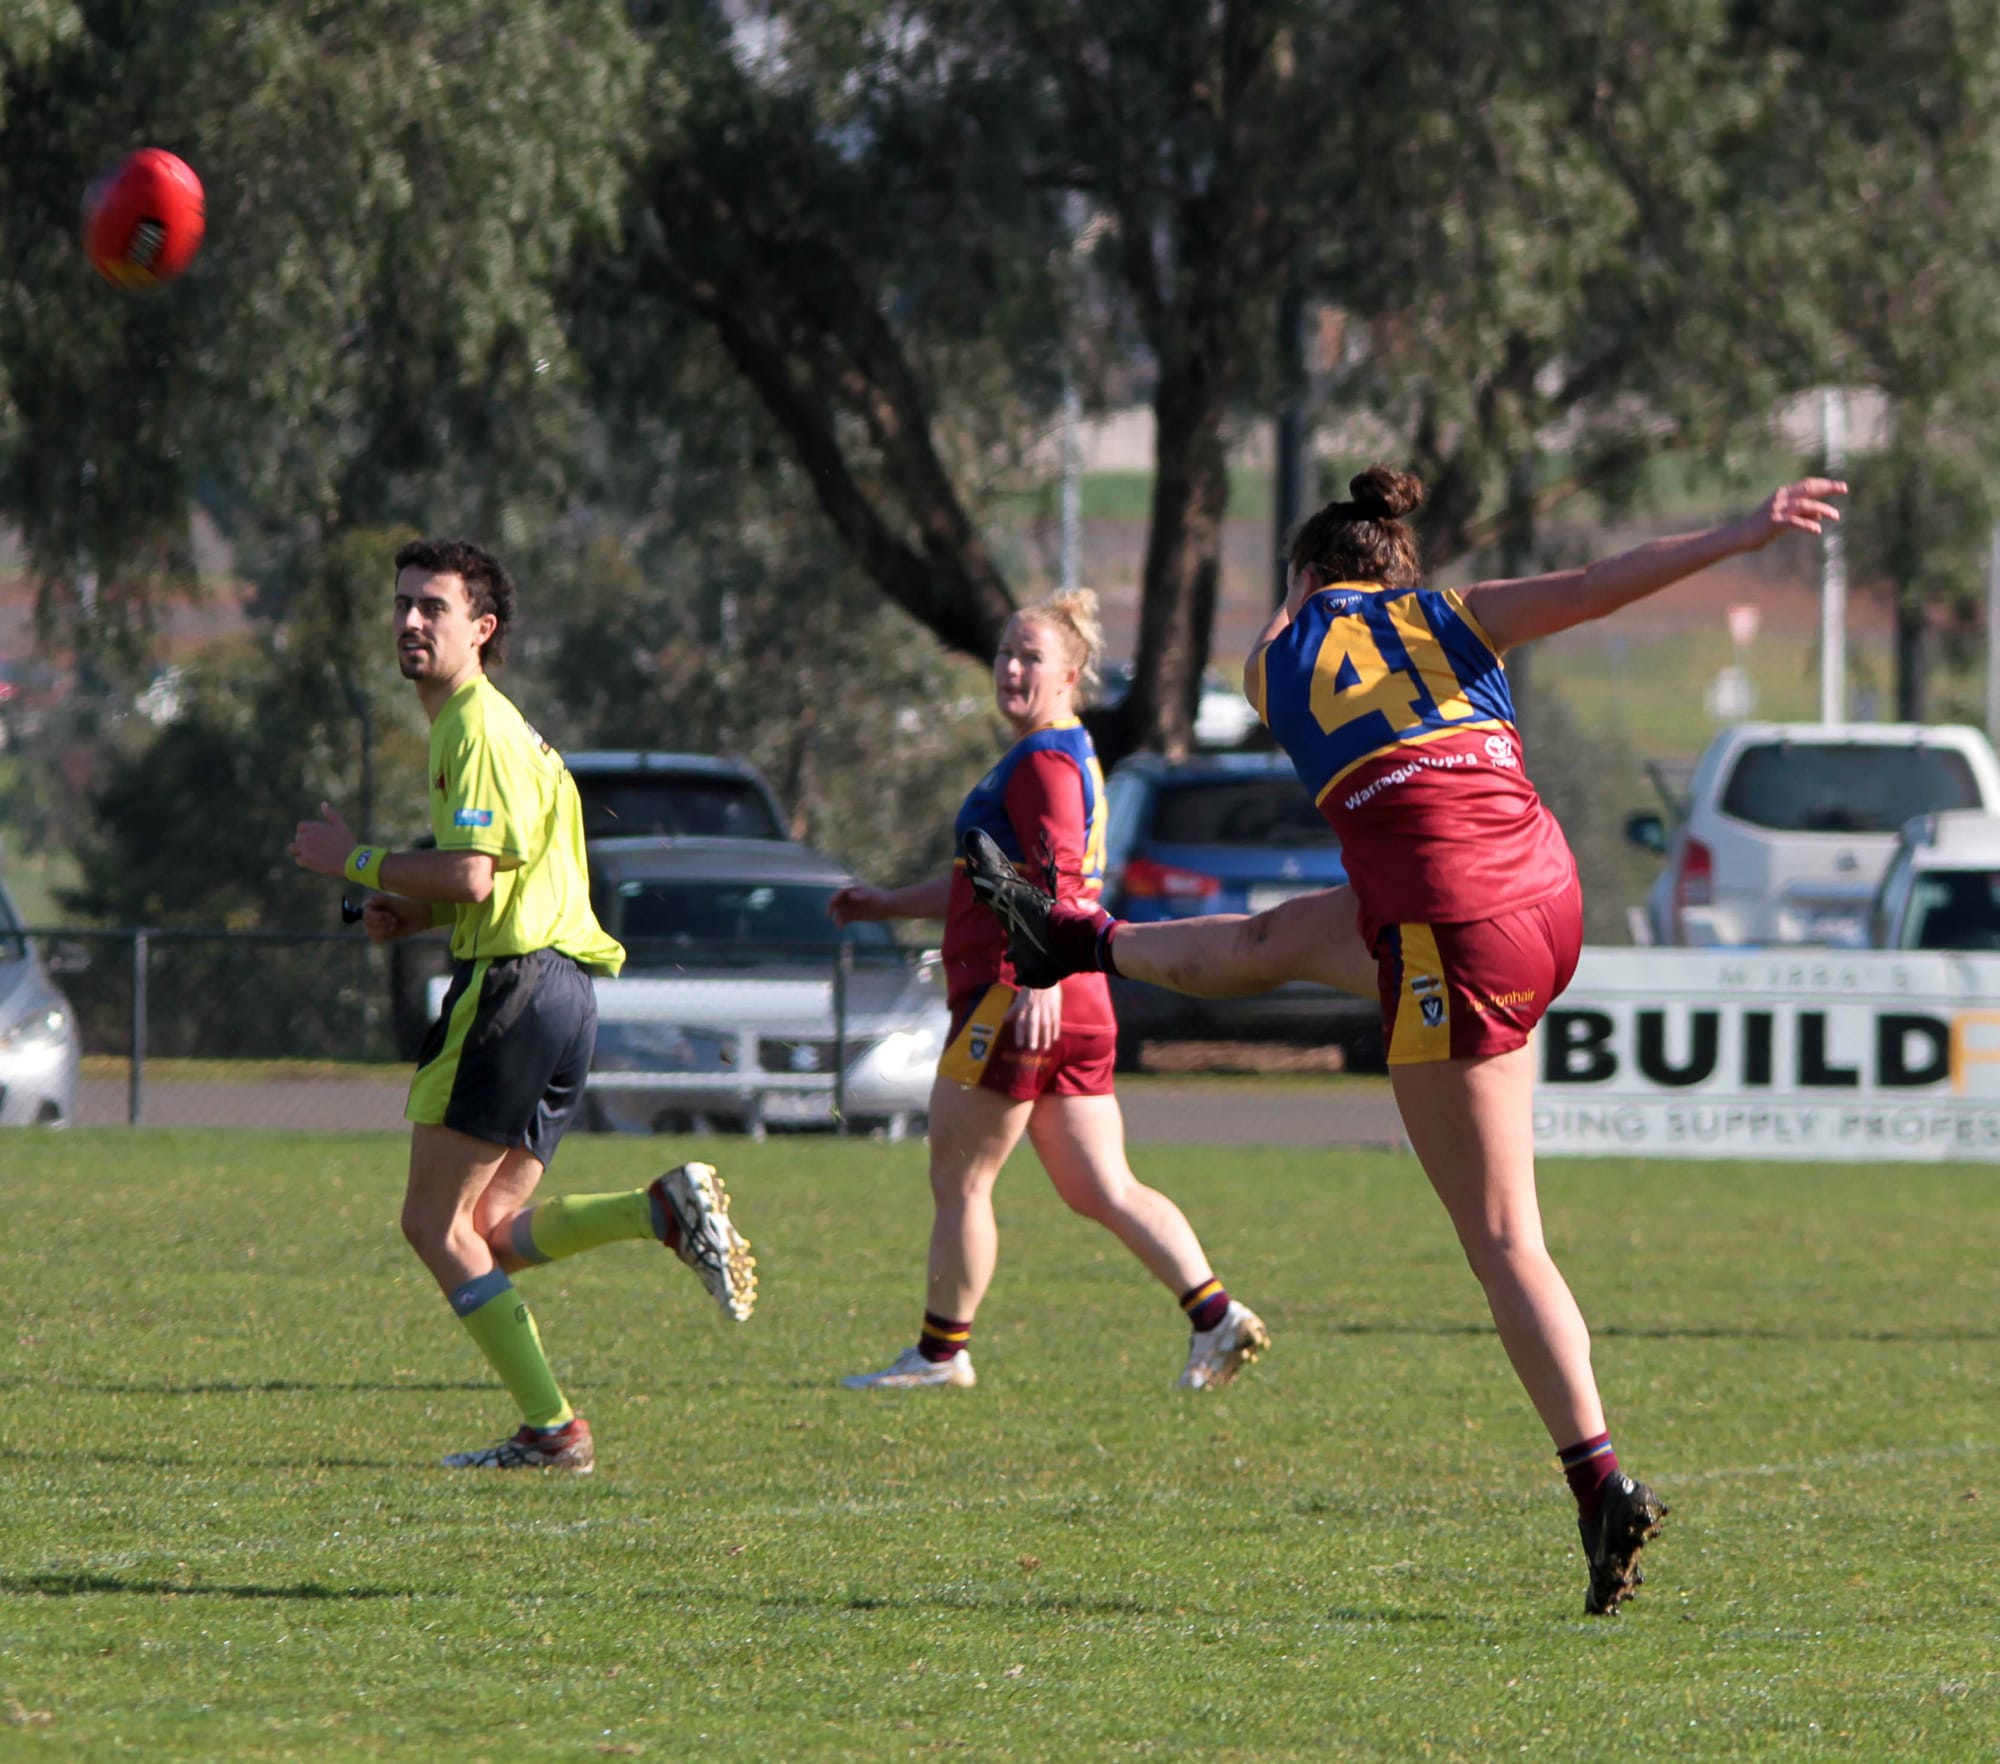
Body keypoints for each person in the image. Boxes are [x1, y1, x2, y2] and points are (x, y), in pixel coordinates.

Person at [966, 468, 1847, 1612]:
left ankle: (1598, 1484)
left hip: (1453, 922)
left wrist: (1293, 596)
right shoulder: (1451, 612)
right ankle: (1075, 941)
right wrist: (1739, 530)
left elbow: (1288, 641)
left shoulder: (1275, 664)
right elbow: (1593, 586)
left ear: (1299, 581)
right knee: (1275, 937)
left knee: (1500, 1238)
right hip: (1544, 891)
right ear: (1398, 570)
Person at [288, 537, 756, 1474]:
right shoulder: (502, 730)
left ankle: (551, 1429)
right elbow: (496, 881)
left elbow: (468, 872)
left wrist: (357, 861)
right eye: (403, 604)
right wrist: (408, 911)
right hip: (562, 994)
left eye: (435, 607)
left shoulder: (474, 727)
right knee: (489, 1235)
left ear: (482, 628)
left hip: (511, 991)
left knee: (433, 1226)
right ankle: (655, 1211)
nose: (412, 621)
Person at [831, 587, 1267, 1392]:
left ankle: (938, 1354)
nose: (1011, 668)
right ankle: (1216, 1317)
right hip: (1075, 996)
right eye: (1004, 653)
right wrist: (889, 905)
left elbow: (1059, 877)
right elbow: (988, 883)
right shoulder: (1060, 754)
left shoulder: (1043, 763)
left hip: (1022, 994)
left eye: (1031, 656)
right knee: (1102, 1185)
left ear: (1072, 675)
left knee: (961, 1177)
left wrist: (1043, 978)